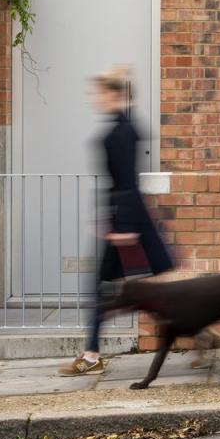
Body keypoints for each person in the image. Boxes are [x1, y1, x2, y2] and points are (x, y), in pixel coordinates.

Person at [59, 67, 174, 375]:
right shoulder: (125, 127)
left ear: (113, 94)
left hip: (126, 223)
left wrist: (121, 229)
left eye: (98, 92)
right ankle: (92, 353)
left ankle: (92, 355)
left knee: (114, 290)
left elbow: (124, 182)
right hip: (126, 220)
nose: (93, 98)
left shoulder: (119, 133)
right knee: (139, 290)